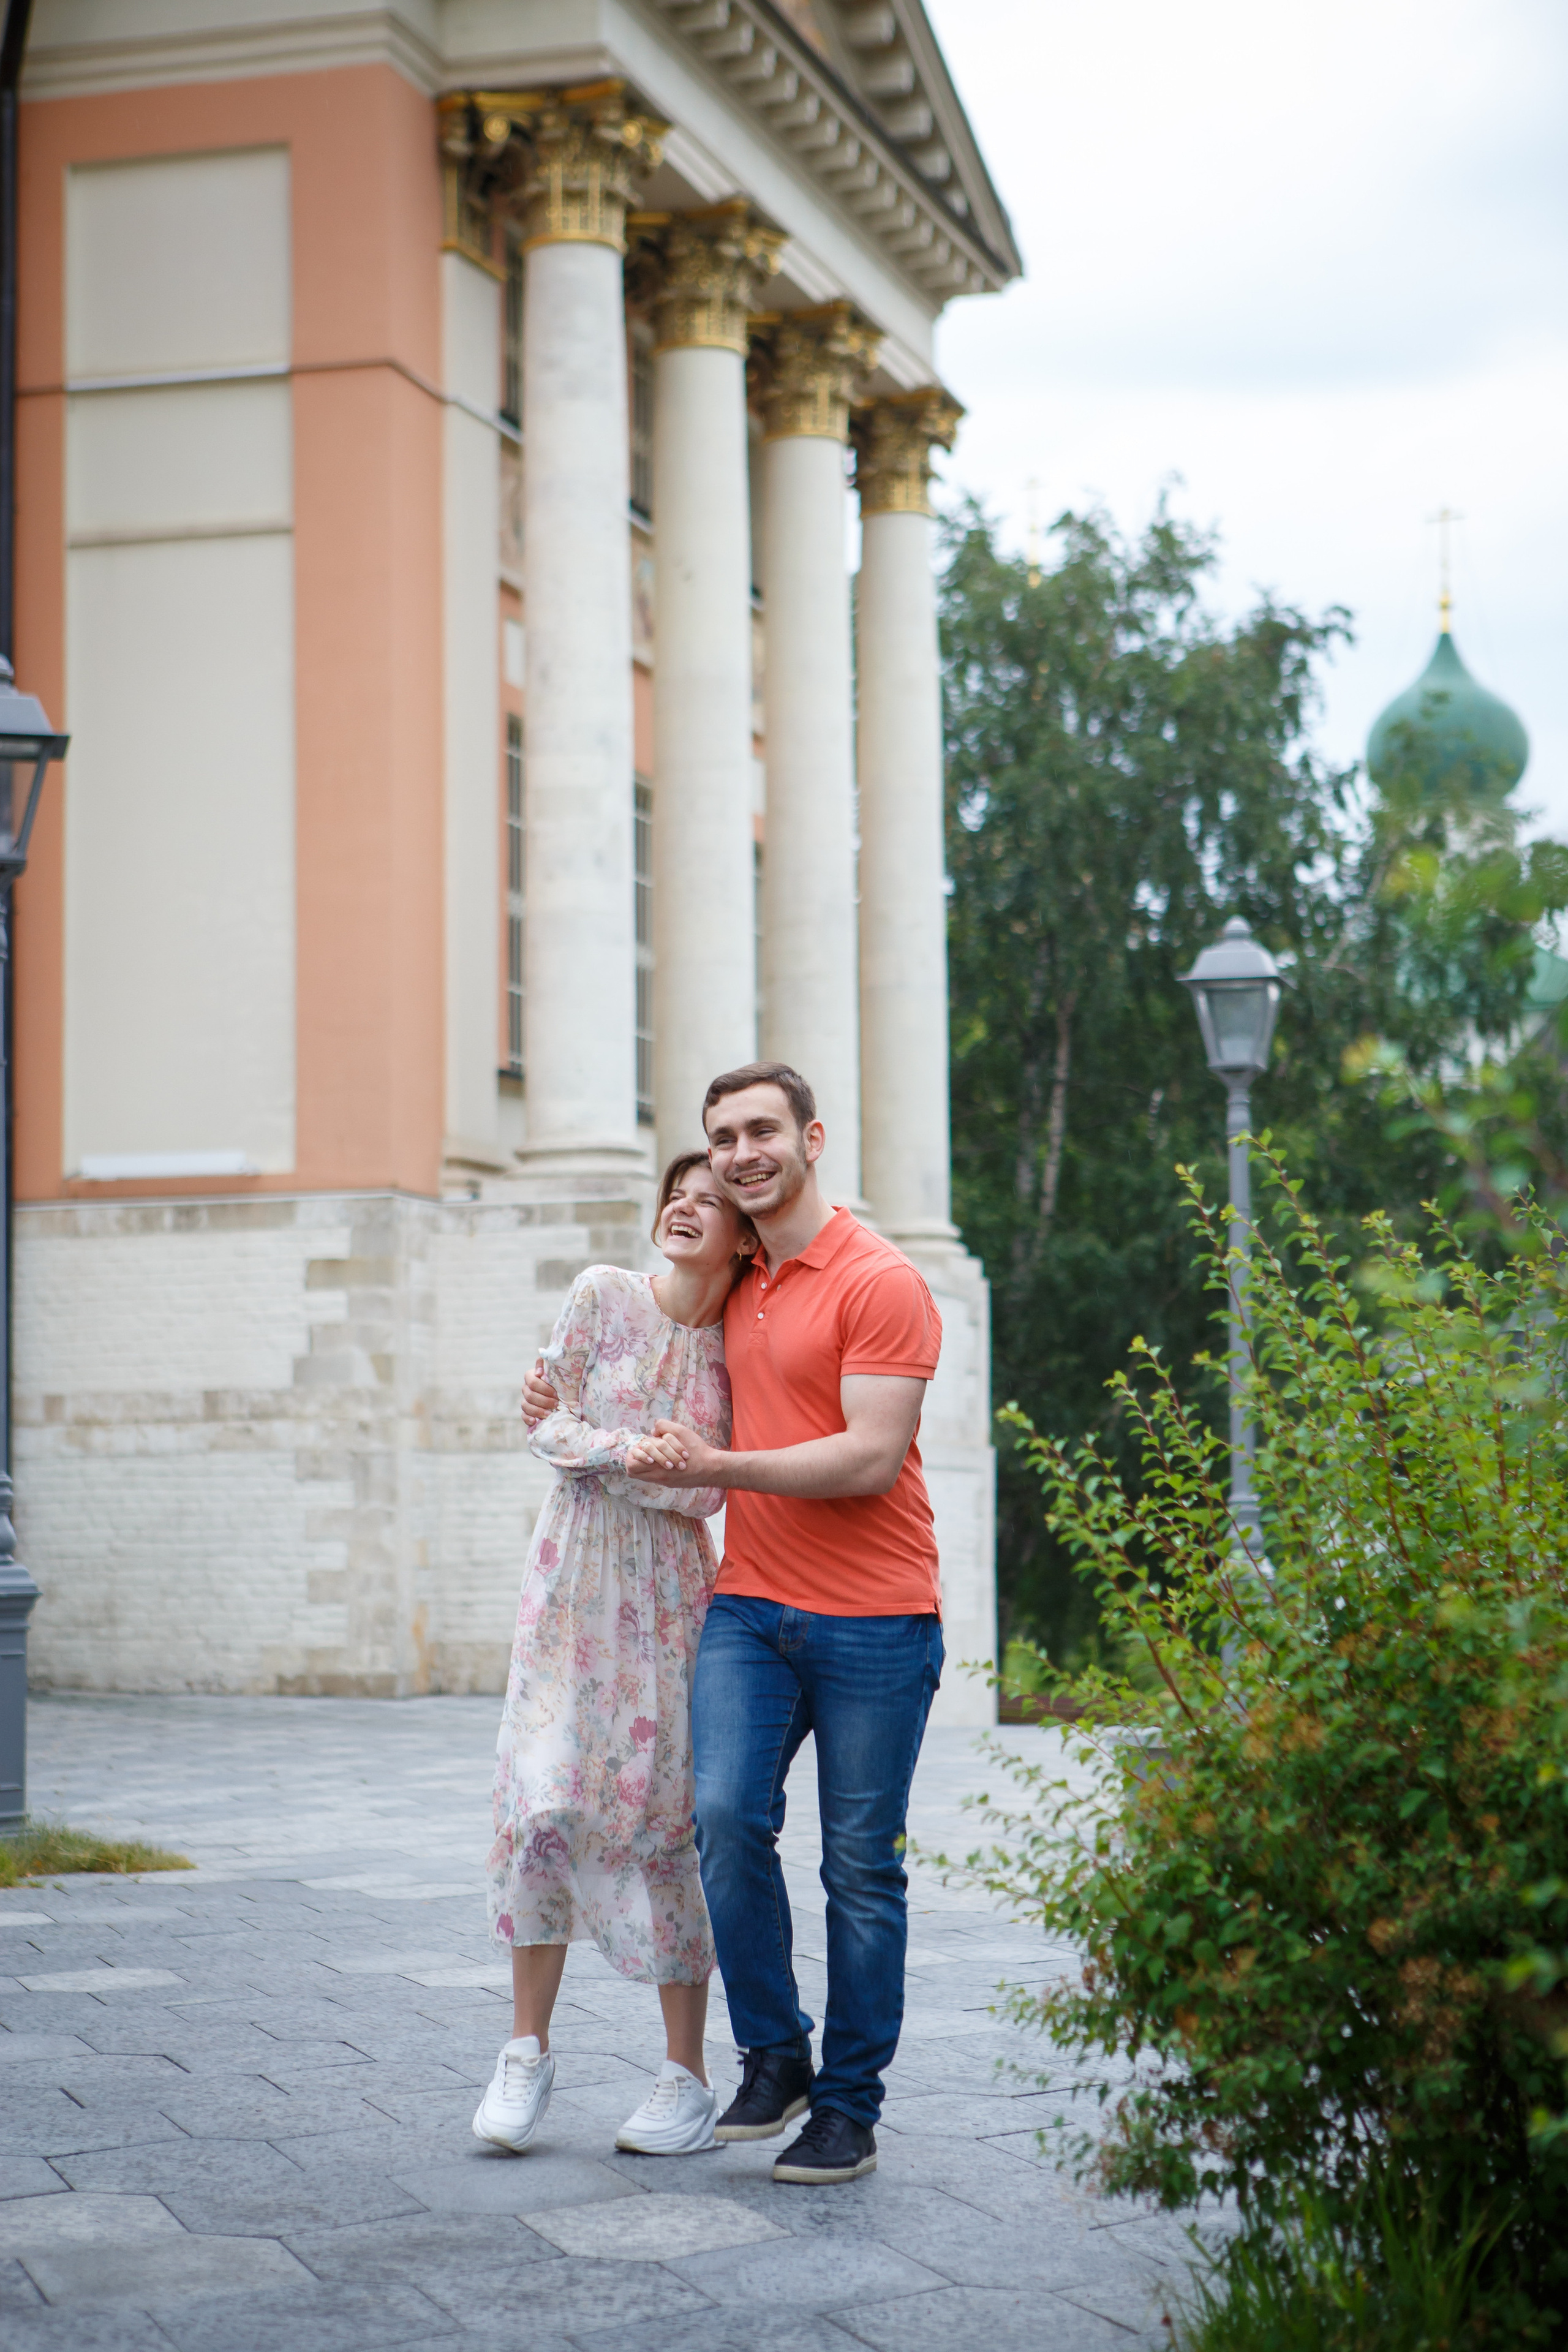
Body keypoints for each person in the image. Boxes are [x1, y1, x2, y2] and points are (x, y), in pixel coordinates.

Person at [522, 1062, 944, 2187]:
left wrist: (716, 1467)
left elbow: (867, 1455)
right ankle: (774, 2056)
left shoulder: (881, 1279)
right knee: (718, 1814)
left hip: (878, 1615)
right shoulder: (738, 1275)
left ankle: (848, 2109)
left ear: (811, 1136)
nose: (743, 1151)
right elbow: (648, 1343)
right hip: (750, 1605)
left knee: (859, 1869)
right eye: (723, 1138)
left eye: (762, 1130)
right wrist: (557, 1396)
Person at [473, 1152, 757, 2162]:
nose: (686, 1205)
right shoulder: (602, 1294)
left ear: (742, 1237)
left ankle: (686, 2076)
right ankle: (524, 2050)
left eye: (712, 1200)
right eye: (678, 1191)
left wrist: (630, 1457)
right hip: (568, 1583)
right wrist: (628, 1452)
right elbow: (546, 1424)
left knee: (663, 1822)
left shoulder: (738, 1347)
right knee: (543, 1802)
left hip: (673, 1600)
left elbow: (715, 1490)